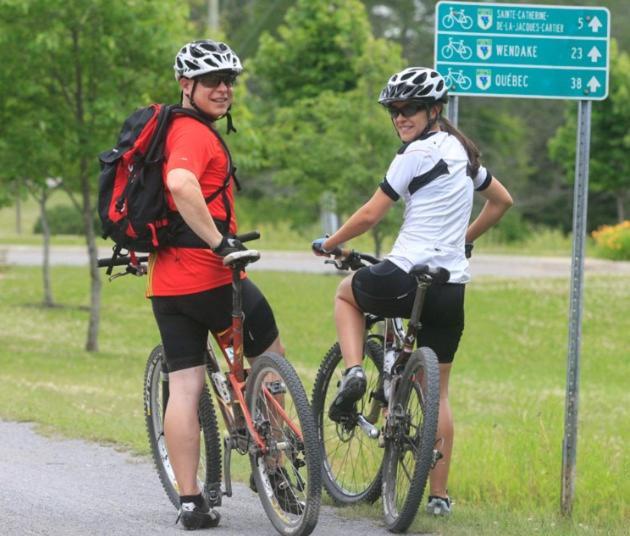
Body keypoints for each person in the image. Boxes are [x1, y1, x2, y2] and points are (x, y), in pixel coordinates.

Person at [312, 67, 513, 517]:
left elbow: (369, 215)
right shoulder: (464, 154)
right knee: (437, 393)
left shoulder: (414, 155)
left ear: (433, 111)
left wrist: (330, 244)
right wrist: (464, 241)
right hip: (449, 286)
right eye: (394, 110)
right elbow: (502, 201)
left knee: (346, 295)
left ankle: (353, 372)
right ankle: (438, 497)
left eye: (410, 109)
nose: (401, 117)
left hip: (403, 273)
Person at [147, 39, 285, 530]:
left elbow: (160, 199)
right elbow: (181, 186)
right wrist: (220, 243)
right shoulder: (194, 136)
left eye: (229, 80)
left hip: (167, 286)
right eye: (212, 81)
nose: (224, 89)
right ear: (187, 85)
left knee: (183, 388)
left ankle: (191, 504)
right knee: (273, 361)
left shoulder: (161, 133)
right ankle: (276, 471)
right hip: (211, 278)